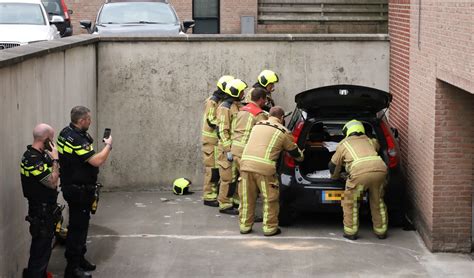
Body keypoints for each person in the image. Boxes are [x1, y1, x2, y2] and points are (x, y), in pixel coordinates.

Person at [57, 106, 113, 278]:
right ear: (81, 121)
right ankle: (72, 269)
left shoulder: (65, 132)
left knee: (80, 226)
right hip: (78, 190)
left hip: (73, 187)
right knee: (77, 229)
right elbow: (97, 161)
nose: (90, 121)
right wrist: (108, 146)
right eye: (88, 119)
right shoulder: (76, 139)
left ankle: (79, 259)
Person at [239, 106, 304, 236]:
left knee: (247, 198)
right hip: (264, 169)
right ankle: (270, 228)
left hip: (245, 165)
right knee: (270, 199)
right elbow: (294, 152)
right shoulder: (283, 132)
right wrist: (301, 157)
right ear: (281, 118)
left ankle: (245, 227)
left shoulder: (257, 125)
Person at [329, 119, 388, 240]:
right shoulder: (371, 141)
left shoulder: (343, 144)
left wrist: (335, 177)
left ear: (347, 132)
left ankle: (351, 232)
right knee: (378, 202)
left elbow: (333, 165)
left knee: (350, 202)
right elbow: (378, 146)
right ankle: (381, 231)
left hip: (359, 174)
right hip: (380, 171)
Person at [20, 123, 60, 278]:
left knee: (43, 250)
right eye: (52, 139)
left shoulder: (41, 155)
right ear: (47, 139)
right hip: (40, 211)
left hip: (46, 210)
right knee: (39, 252)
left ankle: (41, 274)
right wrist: (55, 160)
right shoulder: (32, 158)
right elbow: (52, 182)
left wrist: (53, 161)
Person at [201, 75, 234, 207]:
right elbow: (211, 120)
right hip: (211, 141)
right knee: (212, 170)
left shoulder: (221, 100)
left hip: (216, 141)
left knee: (218, 170)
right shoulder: (213, 101)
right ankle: (209, 197)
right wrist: (226, 124)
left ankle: (215, 194)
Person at [216, 78, 247, 215]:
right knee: (227, 178)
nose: (243, 94)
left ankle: (234, 200)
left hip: (235, 148)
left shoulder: (236, 105)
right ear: (236, 92)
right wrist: (228, 149)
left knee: (235, 177)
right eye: (242, 91)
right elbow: (222, 130)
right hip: (226, 149)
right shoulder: (224, 107)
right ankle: (224, 204)